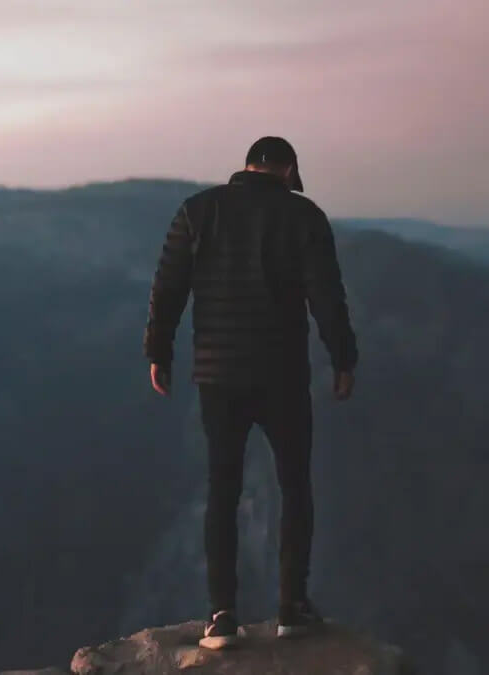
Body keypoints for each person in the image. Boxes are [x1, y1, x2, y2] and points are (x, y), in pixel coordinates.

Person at [143, 136, 358, 649]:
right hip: (282, 375)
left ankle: (221, 616)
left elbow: (167, 286)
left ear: (246, 166)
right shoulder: (303, 217)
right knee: (295, 487)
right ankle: (292, 608)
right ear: (288, 171)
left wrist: (159, 351)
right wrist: (343, 357)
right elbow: (327, 294)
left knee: (222, 488)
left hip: (218, 377)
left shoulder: (197, 212)